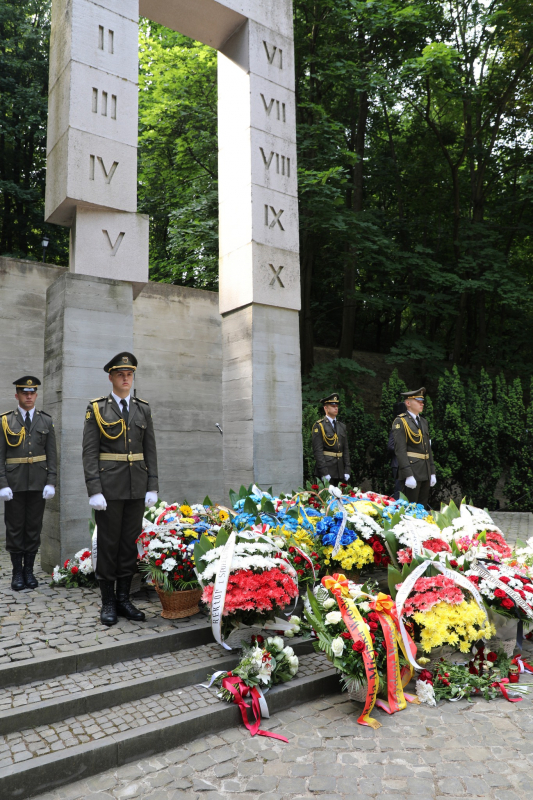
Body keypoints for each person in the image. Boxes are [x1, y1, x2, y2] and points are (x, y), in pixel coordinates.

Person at [82, 352, 159, 626]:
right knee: (108, 545)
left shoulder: (142, 408)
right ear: (111, 377)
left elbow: (150, 450)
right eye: (120, 374)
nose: (126, 378)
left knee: (128, 545)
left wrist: (153, 486)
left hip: (136, 487)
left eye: (129, 374)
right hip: (109, 490)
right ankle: (108, 602)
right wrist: (94, 490)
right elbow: (89, 453)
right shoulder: (97, 409)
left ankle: (125, 599)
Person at [0, 376, 57, 590]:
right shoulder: (5, 421)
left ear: (36, 394)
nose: (29, 396)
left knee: (33, 527)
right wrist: (2, 483)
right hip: (13, 485)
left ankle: (29, 572)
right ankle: (16, 573)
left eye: (32, 392)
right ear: (17, 395)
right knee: (15, 528)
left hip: (38, 484)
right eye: (25, 392)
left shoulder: (46, 421)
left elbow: (52, 455)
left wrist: (51, 481)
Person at [391, 387, 436, 507]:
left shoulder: (423, 422)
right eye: (418, 401)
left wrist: (432, 472)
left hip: (425, 470)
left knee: (422, 508)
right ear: (408, 403)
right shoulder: (401, 421)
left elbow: (427, 449)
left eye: (422, 401)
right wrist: (408, 475)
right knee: (410, 508)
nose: (422, 403)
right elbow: (400, 450)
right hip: (412, 470)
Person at [311, 393, 351, 487]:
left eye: (336, 406)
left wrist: (347, 469)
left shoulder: (342, 426)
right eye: (333, 406)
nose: (336, 408)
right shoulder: (319, 426)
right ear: (326, 408)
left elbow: (345, 449)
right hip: (327, 469)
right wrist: (324, 472)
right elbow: (318, 451)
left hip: (340, 470)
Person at [387, 400, 406, 499]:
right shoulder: (397, 427)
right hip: (398, 464)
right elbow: (390, 446)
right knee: (399, 492)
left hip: (410, 464)